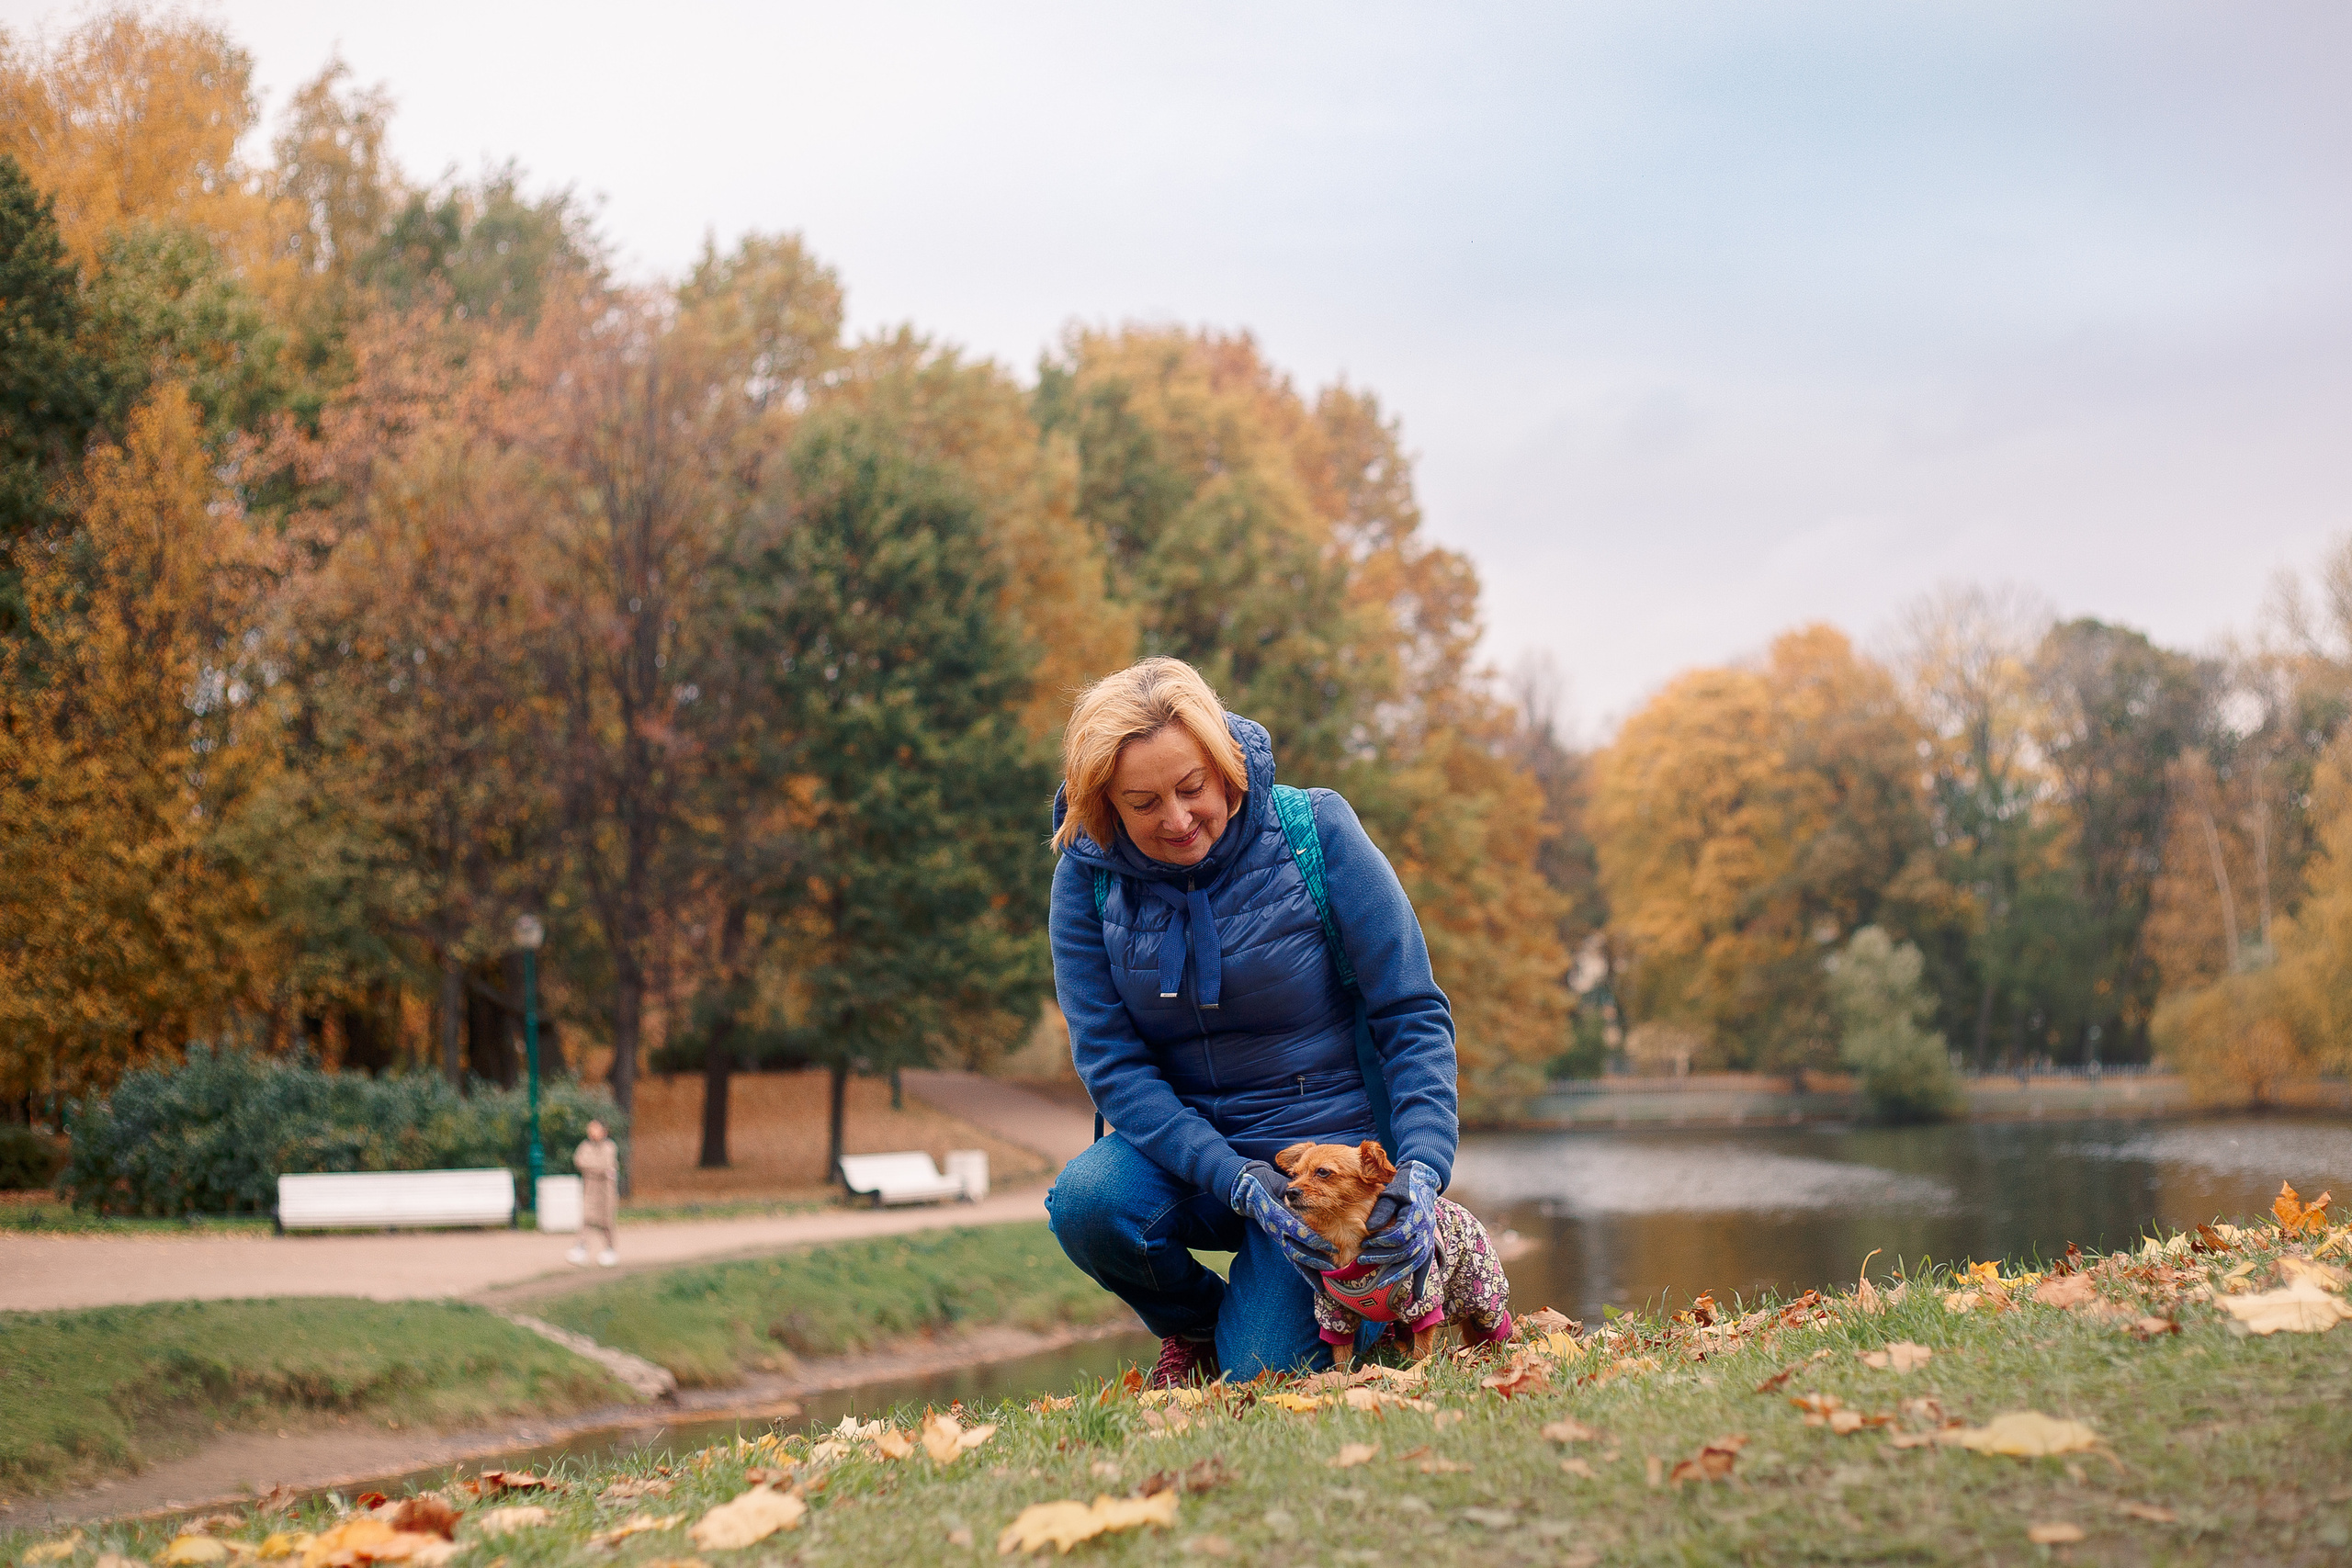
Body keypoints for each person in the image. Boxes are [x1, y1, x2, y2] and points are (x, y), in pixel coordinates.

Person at [1043, 657, 1458, 1385]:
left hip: (1321, 1171)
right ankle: (1198, 1328)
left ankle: (1291, 1316)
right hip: (1187, 1157)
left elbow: (1411, 1012)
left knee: (1265, 1376)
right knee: (1086, 1202)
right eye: (1143, 803)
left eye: (1192, 787)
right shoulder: (1087, 876)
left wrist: (1421, 1173)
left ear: (1225, 762)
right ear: (1105, 802)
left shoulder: (1317, 831)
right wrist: (1233, 1178)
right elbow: (1111, 1062)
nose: (1176, 819)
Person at [568, 1120, 620, 1267]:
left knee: (606, 1220)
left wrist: (595, 1168)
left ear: (603, 1131)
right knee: (587, 1218)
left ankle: (610, 1249)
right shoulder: (585, 1146)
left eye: (595, 1129)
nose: (591, 1132)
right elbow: (579, 1162)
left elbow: (607, 1165)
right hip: (590, 1188)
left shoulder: (610, 1146)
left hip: (606, 1190)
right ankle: (581, 1247)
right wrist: (599, 1169)